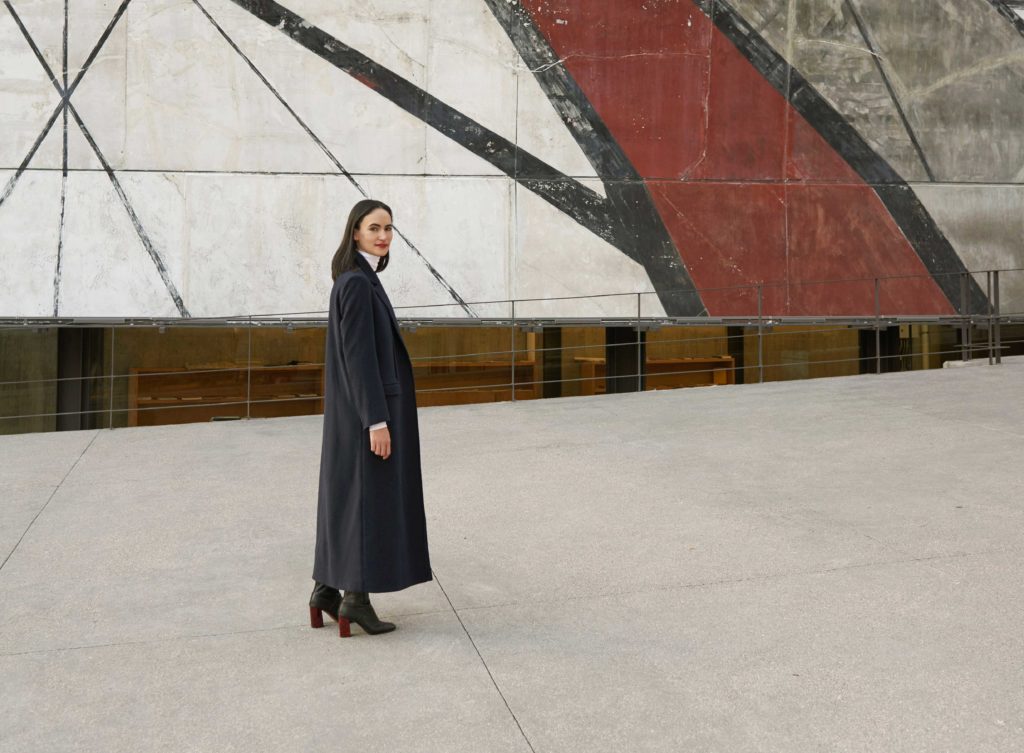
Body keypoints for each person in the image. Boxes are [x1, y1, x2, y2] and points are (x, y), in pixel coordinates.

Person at [309, 199, 431, 637]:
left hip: (349, 413)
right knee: (368, 504)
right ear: (355, 232)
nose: (383, 236)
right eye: (374, 227)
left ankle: (325, 590)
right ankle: (355, 601)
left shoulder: (352, 279)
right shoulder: (358, 283)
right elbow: (359, 357)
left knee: (345, 500)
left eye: (389, 228)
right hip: (369, 414)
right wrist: (376, 421)